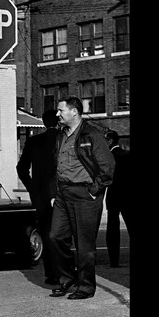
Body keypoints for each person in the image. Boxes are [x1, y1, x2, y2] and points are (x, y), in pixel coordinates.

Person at [47, 96, 115, 300]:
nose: (57, 114)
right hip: (63, 193)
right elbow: (55, 165)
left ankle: (86, 286)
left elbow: (108, 168)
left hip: (85, 194)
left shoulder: (92, 135)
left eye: (61, 111)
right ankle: (67, 278)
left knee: (84, 244)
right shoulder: (61, 135)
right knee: (55, 236)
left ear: (74, 112)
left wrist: (94, 190)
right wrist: (54, 192)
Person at [16, 109, 61, 285]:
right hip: (60, 193)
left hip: (40, 195)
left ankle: (52, 273)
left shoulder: (33, 141)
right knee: (63, 234)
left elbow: (21, 168)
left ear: (43, 123)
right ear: (58, 122)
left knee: (47, 233)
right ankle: (64, 272)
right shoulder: (63, 139)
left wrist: (32, 188)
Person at [105, 130, 132, 267]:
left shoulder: (108, 157)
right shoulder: (127, 155)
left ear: (110, 141)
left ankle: (114, 261)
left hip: (113, 195)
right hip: (128, 195)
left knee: (113, 229)